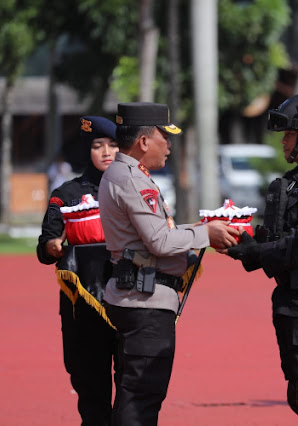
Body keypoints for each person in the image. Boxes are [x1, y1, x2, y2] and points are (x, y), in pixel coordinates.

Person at [98, 102, 239, 426]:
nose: (169, 145)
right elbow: (160, 241)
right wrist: (207, 233)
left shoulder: (123, 174)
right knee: (141, 399)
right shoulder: (133, 179)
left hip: (135, 296)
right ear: (144, 141)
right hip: (144, 303)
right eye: (165, 136)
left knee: (135, 395)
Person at [226, 93, 298, 426]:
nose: (284, 142)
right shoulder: (293, 183)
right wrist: (244, 242)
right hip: (291, 301)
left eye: (290, 134)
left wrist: (256, 252)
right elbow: (279, 242)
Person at [37, 116, 119, 425]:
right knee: (89, 382)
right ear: (88, 150)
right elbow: (45, 243)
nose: (106, 152)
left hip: (127, 297)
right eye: (98, 146)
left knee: (133, 384)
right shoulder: (66, 194)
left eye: (113, 145)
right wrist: (52, 247)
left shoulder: (138, 187)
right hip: (82, 304)